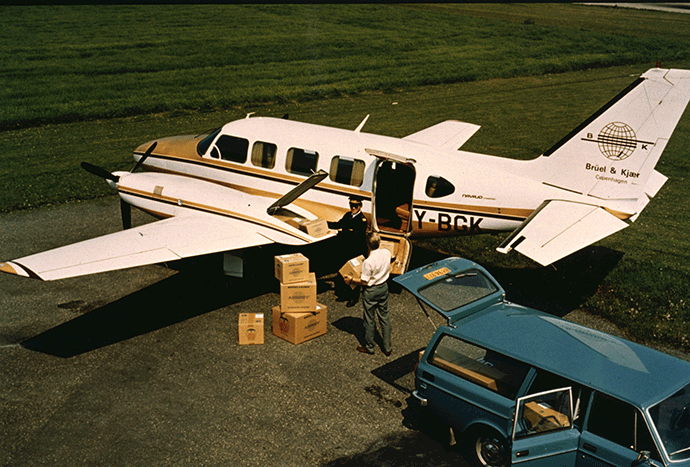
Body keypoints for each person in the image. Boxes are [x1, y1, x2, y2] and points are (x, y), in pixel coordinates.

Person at [344, 232, 392, 356]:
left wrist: (351, 280)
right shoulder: (386, 253)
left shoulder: (368, 262)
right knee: (384, 317)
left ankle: (370, 347)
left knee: (369, 320)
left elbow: (364, 281)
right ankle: (387, 347)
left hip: (371, 291)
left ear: (368, 245)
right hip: (383, 287)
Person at [328, 196, 368, 306]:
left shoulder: (362, 220)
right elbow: (338, 224)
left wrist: (344, 233)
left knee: (353, 274)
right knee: (343, 272)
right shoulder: (347, 215)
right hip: (345, 249)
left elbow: (356, 236)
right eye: (351, 205)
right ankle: (344, 294)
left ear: (360, 206)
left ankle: (353, 297)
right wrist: (325, 224)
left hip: (355, 251)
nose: (353, 208)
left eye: (355, 206)